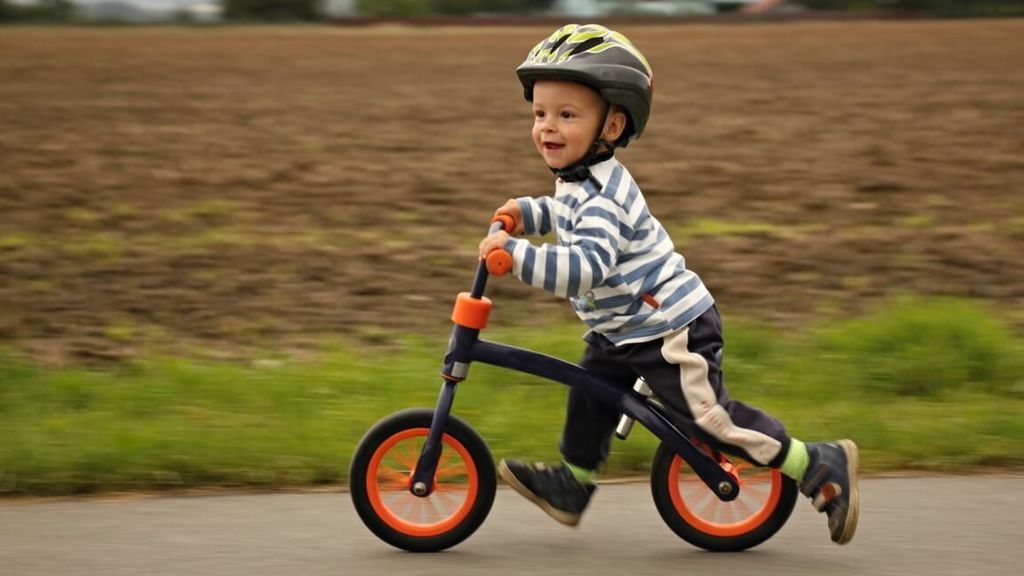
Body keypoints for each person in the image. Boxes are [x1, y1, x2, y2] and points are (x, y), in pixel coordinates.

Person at [477, 24, 859, 545]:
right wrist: (528, 212)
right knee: (590, 392)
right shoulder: (580, 180)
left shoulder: (605, 197)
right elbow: (565, 212)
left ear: (611, 125)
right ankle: (575, 483)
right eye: (540, 114)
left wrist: (514, 256)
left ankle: (817, 462)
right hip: (623, 326)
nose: (548, 127)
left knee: (711, 422)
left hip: (669, 327)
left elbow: (585, 265)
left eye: (567, 115)